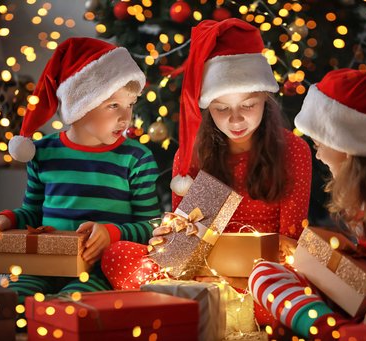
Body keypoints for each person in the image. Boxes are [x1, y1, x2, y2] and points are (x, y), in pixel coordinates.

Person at [102, 19, 311, 304]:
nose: (235, 120)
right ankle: (213, 302)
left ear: (265, 98)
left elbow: (291, 245)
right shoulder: (190, 157)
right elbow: (183, 245)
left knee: (292, 283)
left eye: (248, 105)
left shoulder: (293, 150)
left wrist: (242, 272)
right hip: (201, 274)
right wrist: (169, 242)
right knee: (118, 255)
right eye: (221, 108)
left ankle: (202, 304)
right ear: (208, 108)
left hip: (264, 277)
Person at [249, 68, 366, 340]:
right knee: (263, 273)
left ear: (347, 145)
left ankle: (354, 329)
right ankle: (336, 333)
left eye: (319, 145)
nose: (317, 156)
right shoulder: (363, 192)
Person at [0, 37, 161, 304]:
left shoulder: (136, 158)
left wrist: (112, 233)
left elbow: (154, 227)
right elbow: (34, 212)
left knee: (73, 309)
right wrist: (7, 219)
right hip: (44, 263)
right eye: (113, 105)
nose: (126, 117)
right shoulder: (43, 153)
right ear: (80, 104)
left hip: (100, 270)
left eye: (130, 104)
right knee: (10, 302)